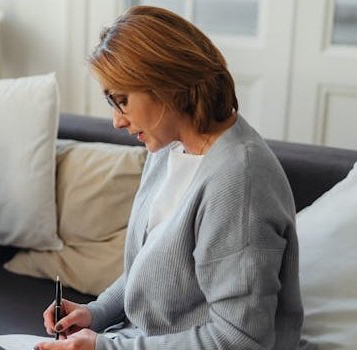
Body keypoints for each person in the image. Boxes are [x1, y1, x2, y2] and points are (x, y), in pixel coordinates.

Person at [36, 6, 304, 350]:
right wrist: (96, 312)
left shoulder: (240, 184)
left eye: (122, 101)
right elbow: (152, 269)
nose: (117, 120)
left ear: (167, 86)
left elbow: (242, 339)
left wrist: (105, 347)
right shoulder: (167, 149)